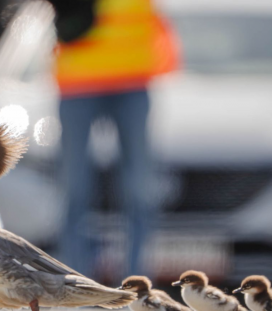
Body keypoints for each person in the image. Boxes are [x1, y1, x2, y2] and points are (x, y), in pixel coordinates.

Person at [47, 0, 177, 280]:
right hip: (79, 78)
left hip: (131, 77)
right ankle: (75, 279)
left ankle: (136, 280)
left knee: (138, 187)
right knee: (75, 185)